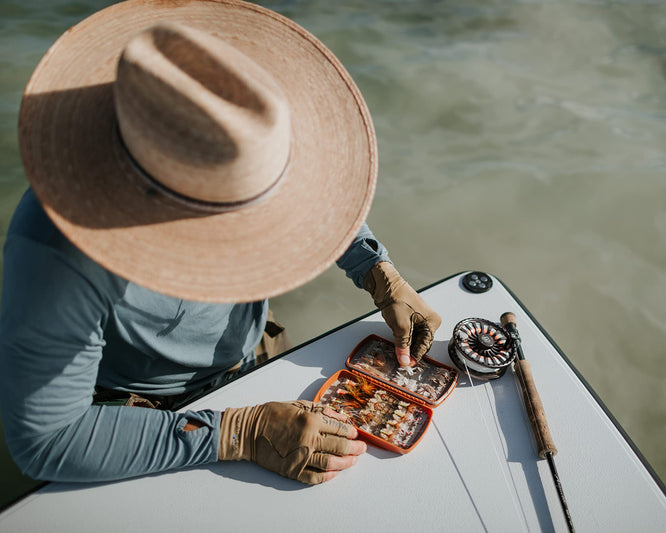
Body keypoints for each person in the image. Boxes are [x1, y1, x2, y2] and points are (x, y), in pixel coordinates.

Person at [0, 0, 441, 486]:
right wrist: (239, 433)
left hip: (248, 352)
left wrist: (379, 273)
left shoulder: (237, 127)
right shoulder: (55, 253)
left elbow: (303, 191)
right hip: (139, 407)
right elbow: (46, 440)